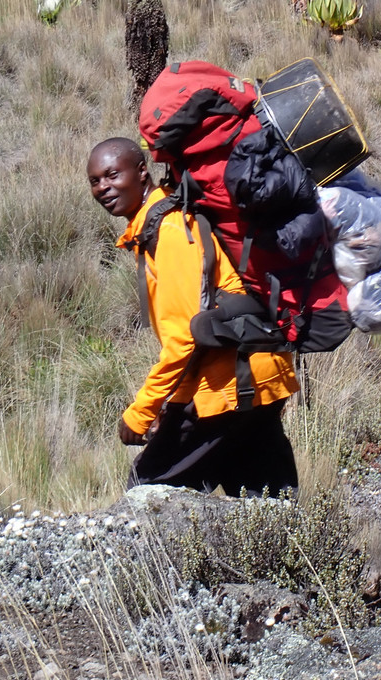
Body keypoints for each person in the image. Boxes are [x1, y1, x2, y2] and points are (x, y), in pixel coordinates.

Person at [86, 137, 301, 496]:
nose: (103, 187)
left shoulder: (170, 231)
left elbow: (186, 338)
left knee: (150, 490)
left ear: (141, 172)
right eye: (95, 181)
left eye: (112, 174)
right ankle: (297, 551)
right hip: (257, 375)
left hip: (230, 385)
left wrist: (142, 411)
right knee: (265, 504)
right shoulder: (161, 222)